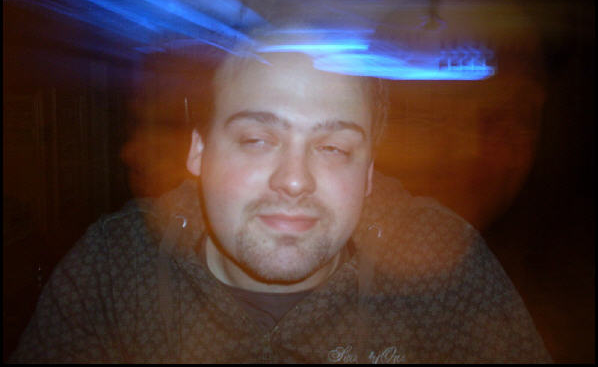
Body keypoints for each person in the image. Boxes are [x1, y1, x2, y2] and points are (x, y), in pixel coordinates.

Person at [10, 31, 552, 363]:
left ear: (368, 174)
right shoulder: (113, 270)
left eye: (333, 148)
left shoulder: (444, 266)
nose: (295, 181)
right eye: (257, 140)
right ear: (199, 151)